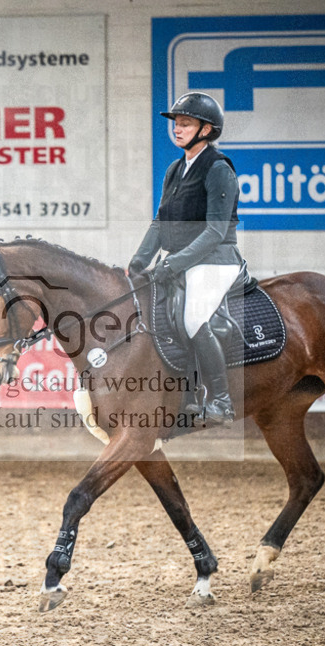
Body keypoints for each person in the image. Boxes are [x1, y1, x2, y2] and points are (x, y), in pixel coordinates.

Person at [128, 91, 243, 425]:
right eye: (176, 123)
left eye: (186, 123)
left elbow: (216, 231)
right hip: (182, 259)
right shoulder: (174, 170)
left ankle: (221, 400)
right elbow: (161, 222)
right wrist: (139, 261)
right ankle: (187, 397)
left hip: (216, 259)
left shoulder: (219, 169)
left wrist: (174, 263)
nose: (177, 129)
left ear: (206, 129)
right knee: (157, 315)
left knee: (192, 318)